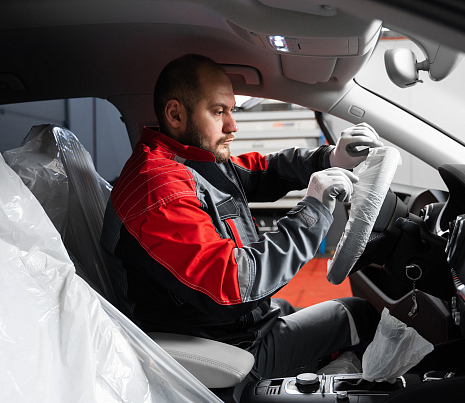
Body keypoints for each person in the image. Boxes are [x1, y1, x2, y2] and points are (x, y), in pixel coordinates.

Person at [101, 54, 382, 379]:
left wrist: (330, 158)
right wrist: (313, 212)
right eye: (218, 111)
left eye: (231, 111)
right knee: (358, 315)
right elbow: (233, 286)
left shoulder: (189, 159)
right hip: (226, 348)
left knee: (320, 315)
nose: (232, 126)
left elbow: (261, 171)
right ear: (176, 114)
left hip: (238, 325)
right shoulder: (160, 189)